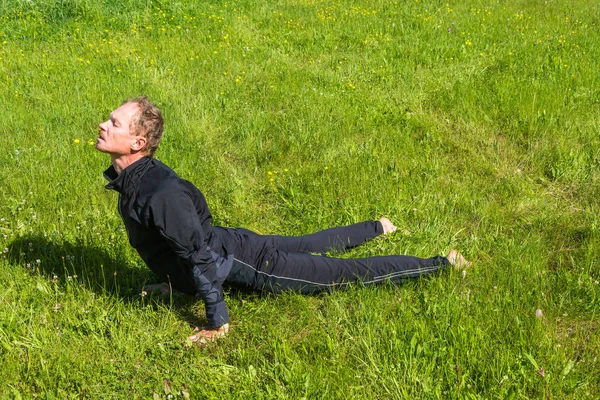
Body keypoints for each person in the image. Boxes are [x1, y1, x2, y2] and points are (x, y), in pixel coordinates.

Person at [96, 96, 469, 344]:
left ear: (137, 144)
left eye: (114, 122)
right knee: (308, 243)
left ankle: (442, 264)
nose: (103, 125)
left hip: (254, 263)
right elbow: (175, 241)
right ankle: (379, 227)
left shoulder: (160, 193)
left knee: (347, 274)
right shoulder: (136, 179)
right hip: (235, 244)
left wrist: (216, 320)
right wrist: (174, 283)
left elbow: (197, 255)